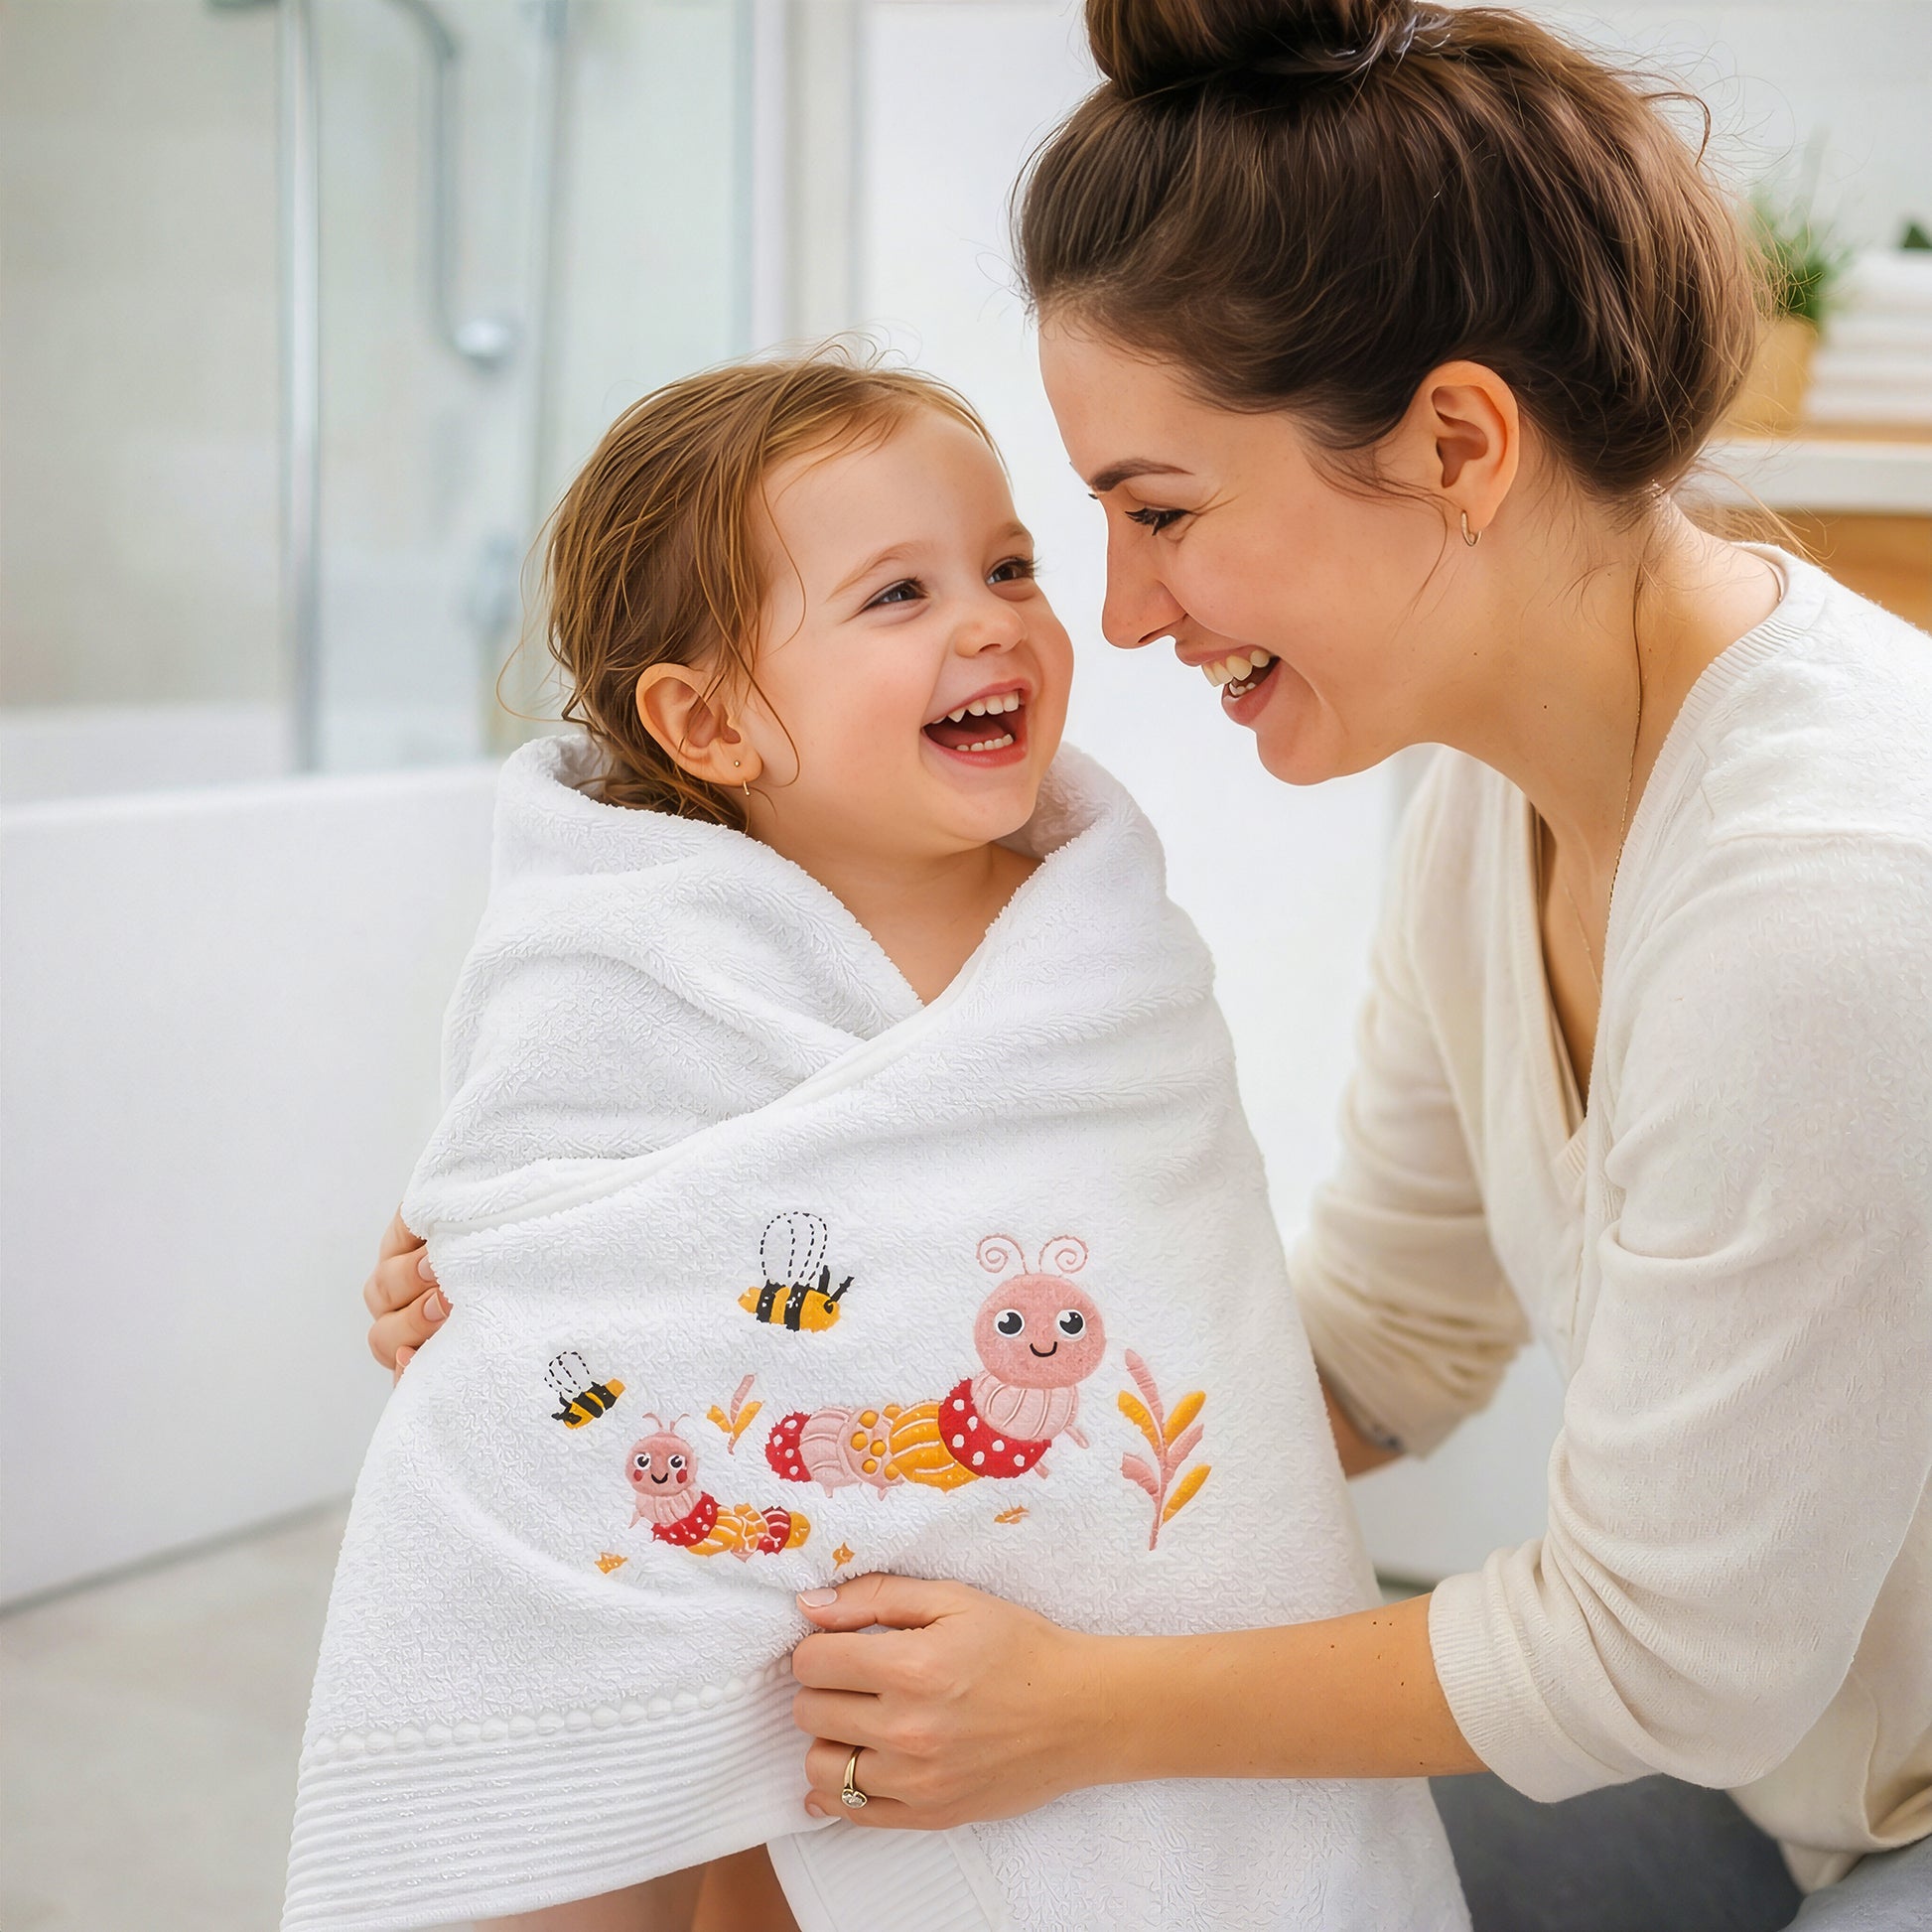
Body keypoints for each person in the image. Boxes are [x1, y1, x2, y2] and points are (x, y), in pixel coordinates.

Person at [371, 2, 1932, 1925]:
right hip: (1774, 1772)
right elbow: (1383, 1340)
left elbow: (1662, 1653)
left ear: (1455, 443)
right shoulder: (1497, 802)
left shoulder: (1829, 901)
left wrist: (1091, 1708)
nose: (1115, 611)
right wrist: (642, 1338)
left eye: (1155, 513)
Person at [304, 348, 1466, 1932]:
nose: (990, 619)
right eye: (895, 596)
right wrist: (500, 1300)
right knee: (659, 1805)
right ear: (708, 720)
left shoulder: (1103, 961)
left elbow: (1179, 1281)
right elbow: (555, 1240)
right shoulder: (627, 964)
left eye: (1005, 567)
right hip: (744, 1603)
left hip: (1041, 1653)